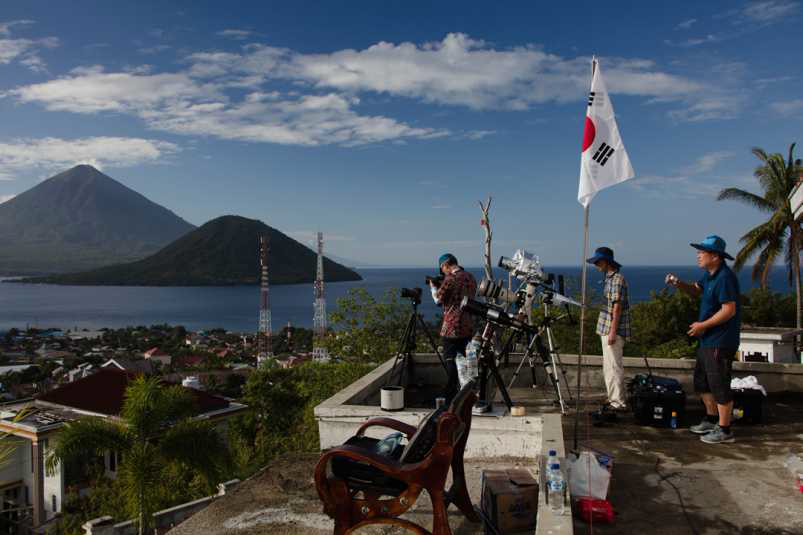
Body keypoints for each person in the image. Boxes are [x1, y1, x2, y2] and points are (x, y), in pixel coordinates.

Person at [666, 235, 741, 444]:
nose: (698, 256)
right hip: (707, 340)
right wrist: (678, 283)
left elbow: (729, 310)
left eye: (702, 252)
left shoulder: (725, 277)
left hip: (720, 340)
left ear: (715, 256)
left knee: (719, 384)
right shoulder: (710, 275)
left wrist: (702, 325)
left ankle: (725, 430)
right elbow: (695, 290)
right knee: (703, 382)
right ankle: (711, 419)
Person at [587, 247, 631, 415]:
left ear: (606, 262)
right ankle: (614, 397)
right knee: (609, 366)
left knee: (614, 365)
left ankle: (618, 402)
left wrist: (613, 331)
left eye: (598, 262)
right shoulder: (610, 278)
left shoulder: (617, 279)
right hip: (606, 327)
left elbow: (617, 307)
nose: (596, 265)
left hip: (612, 329)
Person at [428, 253, 477, 401]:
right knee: (467, 362)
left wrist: (433, 287)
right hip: (467, 325)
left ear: (446, 265)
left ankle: (450, 393)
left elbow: (438, 300)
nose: (442, 272)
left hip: (451, 328)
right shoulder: (470, 277)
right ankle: (467, 392)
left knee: (451, 361)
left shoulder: (450, 279)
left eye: (442, 268)